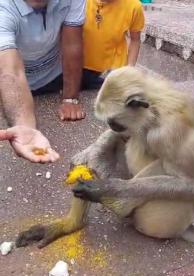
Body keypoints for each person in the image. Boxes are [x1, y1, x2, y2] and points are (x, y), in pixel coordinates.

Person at [0, 0, 87, 162]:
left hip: (52, 73)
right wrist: (25, 127)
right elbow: (11, 71)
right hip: (15, 80)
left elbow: (72, 44)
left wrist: (70, 98)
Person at [81, 0, 145, 87]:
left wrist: (129, 70)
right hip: (79, 68)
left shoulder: (133, 6)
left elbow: (135, 40)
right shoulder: (79, 2)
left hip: (113, 71)